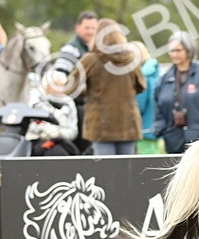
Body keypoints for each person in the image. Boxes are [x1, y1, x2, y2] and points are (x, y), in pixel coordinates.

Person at [79, 19, 146, 156]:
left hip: (101, 125)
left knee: (106, 172)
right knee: (126, 172)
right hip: (127, 123)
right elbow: (141, 86)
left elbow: (71, 87)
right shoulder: (130, 59)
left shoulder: (90, 60)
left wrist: (88, 91)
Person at [152, 30, 199, 154]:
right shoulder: (164, 80)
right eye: (171, 51)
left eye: (178, 50)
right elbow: (158, 110)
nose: (174, 54)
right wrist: (164, 130)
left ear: (189, 51)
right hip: (173, 143)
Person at [50, 11, 99, 153]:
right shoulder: (71, 49)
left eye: (93, 28)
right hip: (78, 106)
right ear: (78, 28)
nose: (90, 31)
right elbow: (59, 74)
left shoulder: (98, 48)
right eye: (86, 28)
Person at [26, 73, 80, 157]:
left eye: (62, 86)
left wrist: (58, 133)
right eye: (55, 85)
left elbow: (73, 130)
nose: (59, 89)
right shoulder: (35, 102)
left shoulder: (69, 103)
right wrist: (45, 130)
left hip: (62, 141)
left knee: (63, 153)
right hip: (37, 141)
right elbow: (29, 126)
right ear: (47, 87)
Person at [132, 41, 162, 154]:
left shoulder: (142, 77)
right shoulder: (155, 73)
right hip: (153, 126)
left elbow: (139, 105)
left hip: (142, 128)